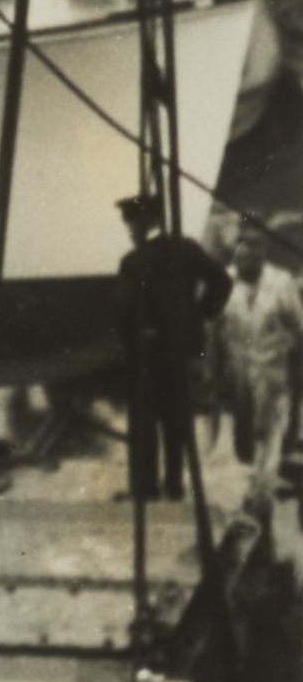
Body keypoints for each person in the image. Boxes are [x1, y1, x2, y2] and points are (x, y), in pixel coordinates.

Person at [118, 195, 229, 503]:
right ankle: (175, 486)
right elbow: (222, 282)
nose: (129, 232)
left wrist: (131, 341)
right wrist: (200, 314)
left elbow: (125, 313)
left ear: (144, 223)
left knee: (144, 421)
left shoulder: (133, 261)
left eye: (130, 224)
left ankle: (147, 490)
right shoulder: (187, 249)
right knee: (177, 417)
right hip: (183, 350)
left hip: (148, 354)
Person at [212, 235, 303, 489]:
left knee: (267, 433)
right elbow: (213, 331)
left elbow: (299, 328)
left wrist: (297, 381)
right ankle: (258, 485)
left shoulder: (281, 282)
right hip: (238, 370)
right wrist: (213, 373)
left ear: (261, 257)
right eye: (238, 258)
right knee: (243, 442)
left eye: (248, 259)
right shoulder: (224, 280)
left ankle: (261, 494)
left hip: (272, 371)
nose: (241, 265)